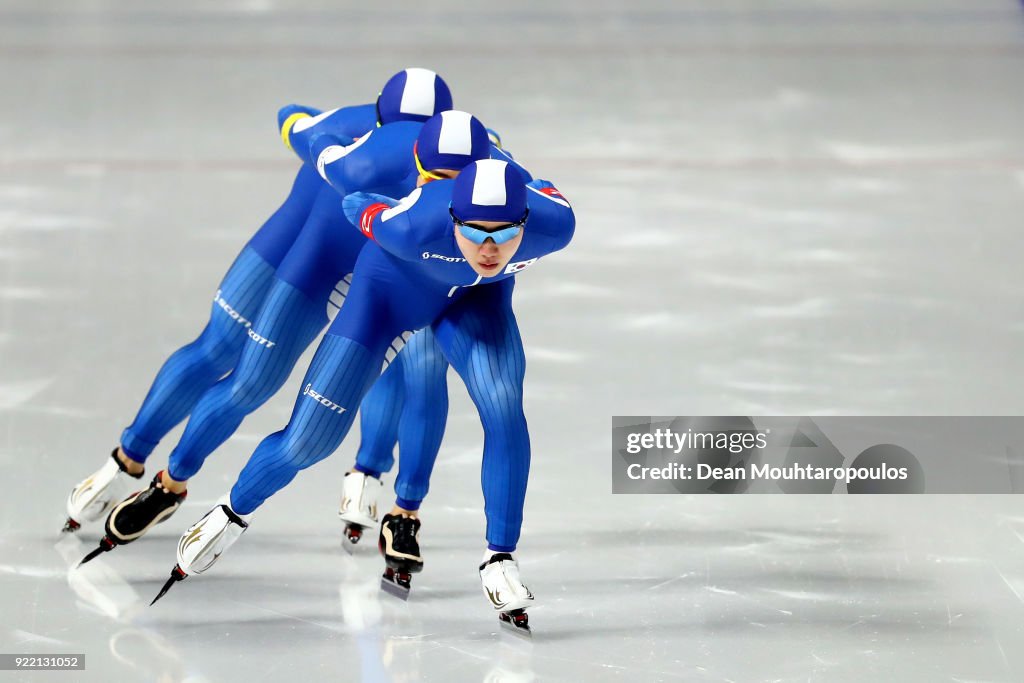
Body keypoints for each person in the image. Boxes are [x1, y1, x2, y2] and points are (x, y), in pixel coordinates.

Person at [156, 159, 574, 632]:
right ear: (454, 218)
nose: (490, 248)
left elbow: (544, 188)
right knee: (309, 441)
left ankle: (500, 557)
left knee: (502, 405)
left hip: (475, 304)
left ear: (526, 222)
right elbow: (357, 205)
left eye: (505, 234)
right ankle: (231, 513)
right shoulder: (413, 223)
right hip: (390, 300)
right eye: (475, 232)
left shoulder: (555, 224)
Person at [78, 109, 499, 567]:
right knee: (249, 380)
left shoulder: (489, 180)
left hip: (392, 279)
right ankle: (156, 474)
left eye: (454, 185)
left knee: (420, 372)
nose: (440, 193)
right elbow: (294, 122)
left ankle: (394, 501)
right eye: (434, 178)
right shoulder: (364, 160)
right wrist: (314, 132)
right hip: (322, 260)